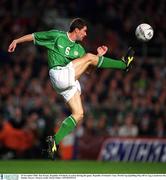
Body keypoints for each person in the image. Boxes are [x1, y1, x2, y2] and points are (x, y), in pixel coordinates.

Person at [8, 18, 135, 159]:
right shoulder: (57, 36)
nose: (86, 34)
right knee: (88, 57)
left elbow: (88, 70)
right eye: (84, 31)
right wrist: (16, 41)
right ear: (77, 30)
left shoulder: (79, 49)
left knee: (79, 113)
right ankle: (123, 65)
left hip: (68, 81)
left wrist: (97, 56)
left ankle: (54, 143)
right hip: (58, 73)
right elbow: (34, 36)